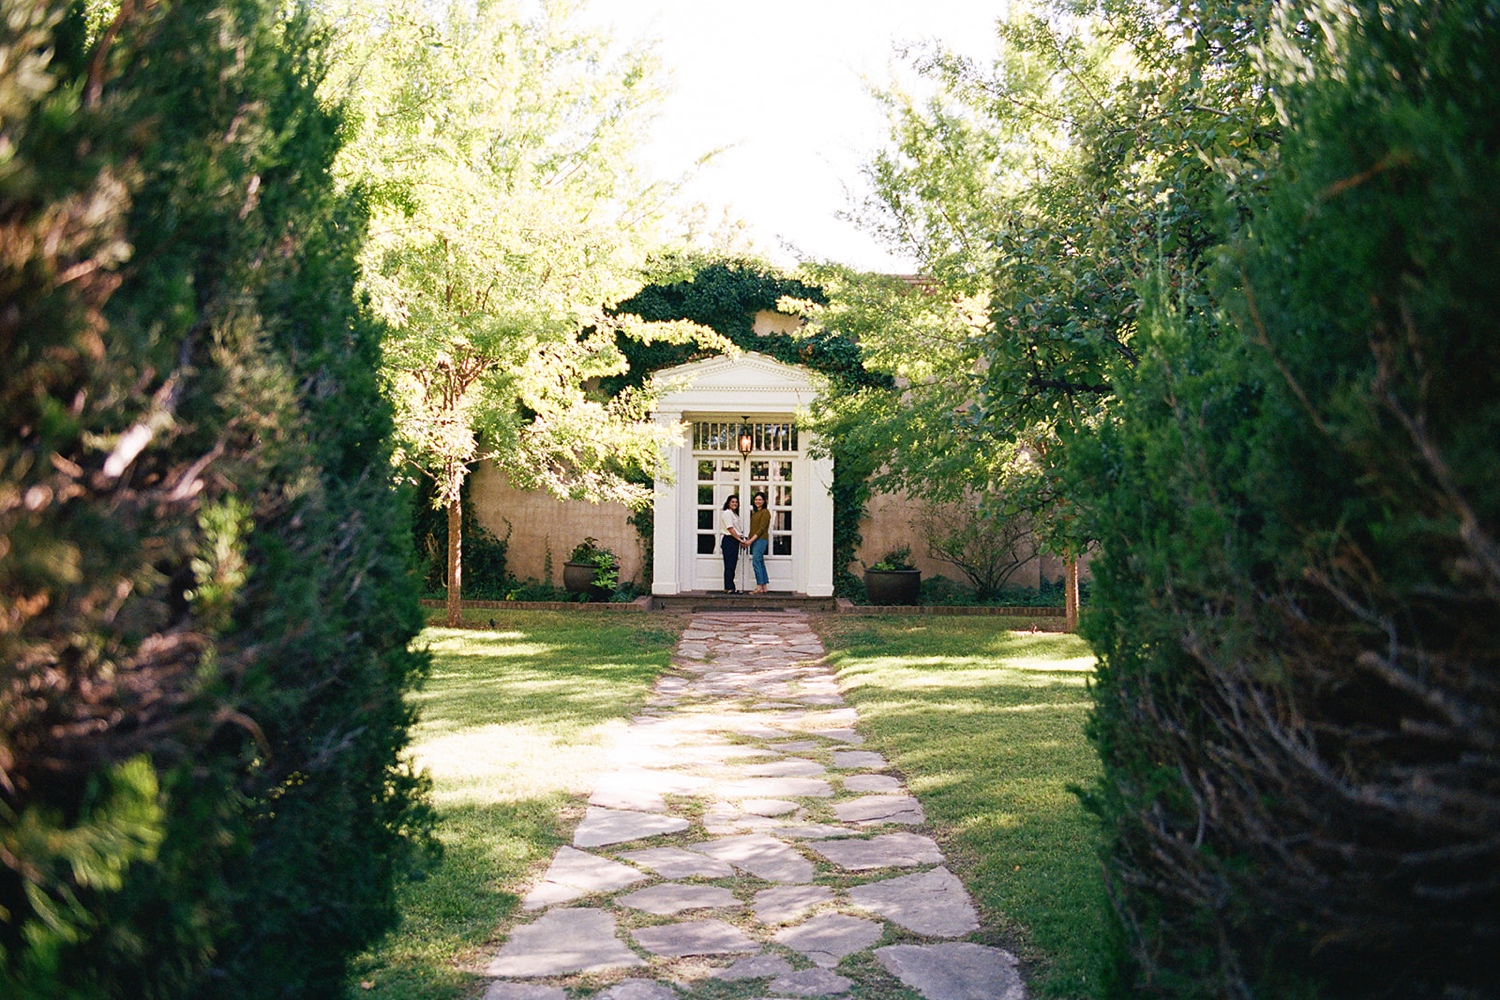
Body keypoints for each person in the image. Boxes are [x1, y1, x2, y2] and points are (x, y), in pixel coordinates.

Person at [719, 494, 748, 593]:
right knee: (729, 564)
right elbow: (730, 528)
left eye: (736, 502)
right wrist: (740, 540)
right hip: (729, 540)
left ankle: (730, 586)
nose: (735, 504)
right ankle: (729, 587)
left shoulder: (734, 514)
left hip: (734, 540)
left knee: (732, 564)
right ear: (728, 503)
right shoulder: (727, 513)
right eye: (732, 502)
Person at [747, 492, 771, 593]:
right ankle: (764, 586)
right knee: (760, 562)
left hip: (761, 540)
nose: (758, 501)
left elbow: (761, 529)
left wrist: (751, 540)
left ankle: (759, 587)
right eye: (756, 499)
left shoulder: (765, 512)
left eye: (760, 499)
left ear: (764, 501)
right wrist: (748, 539)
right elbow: (753, 528)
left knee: (756, 562)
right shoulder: (755, 512)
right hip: (755, 540)